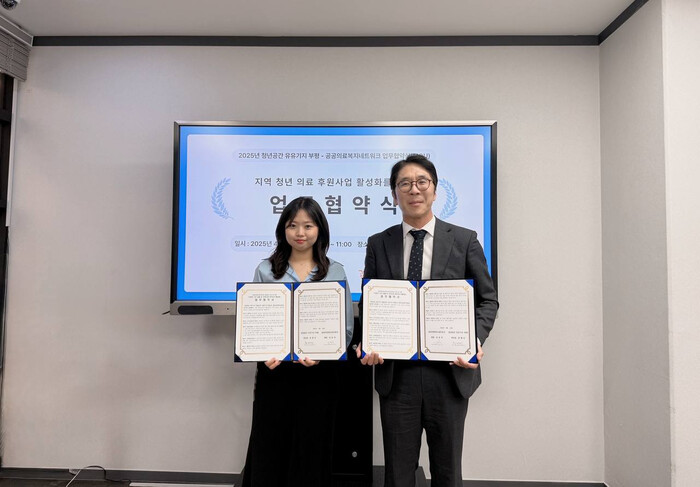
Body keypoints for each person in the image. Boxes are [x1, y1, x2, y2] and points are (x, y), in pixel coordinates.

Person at [358, 154, 499, 487]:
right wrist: (368, 341)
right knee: (397, 472)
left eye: (422, 182)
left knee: (447, 471)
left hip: (448, 373)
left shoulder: (464, 240)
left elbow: (488, 300)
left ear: (435, 191)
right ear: (394, 195)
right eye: (404, 184)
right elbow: (370, 303)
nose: (414, 189)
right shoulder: (379, 243)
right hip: (397, 375)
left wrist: (474, 340)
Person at [241, 196, 354, 487]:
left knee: (313, 447)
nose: (300, 233)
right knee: (270, 446)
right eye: (292, 225)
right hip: (275, 373)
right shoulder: (265, 270)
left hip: (320, 374)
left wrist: (322, 353)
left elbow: (345, 329)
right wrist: (261, 352)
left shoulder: (336, 271)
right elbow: (255, 322)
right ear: (283, 230)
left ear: (320, 230)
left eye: (308, 225)